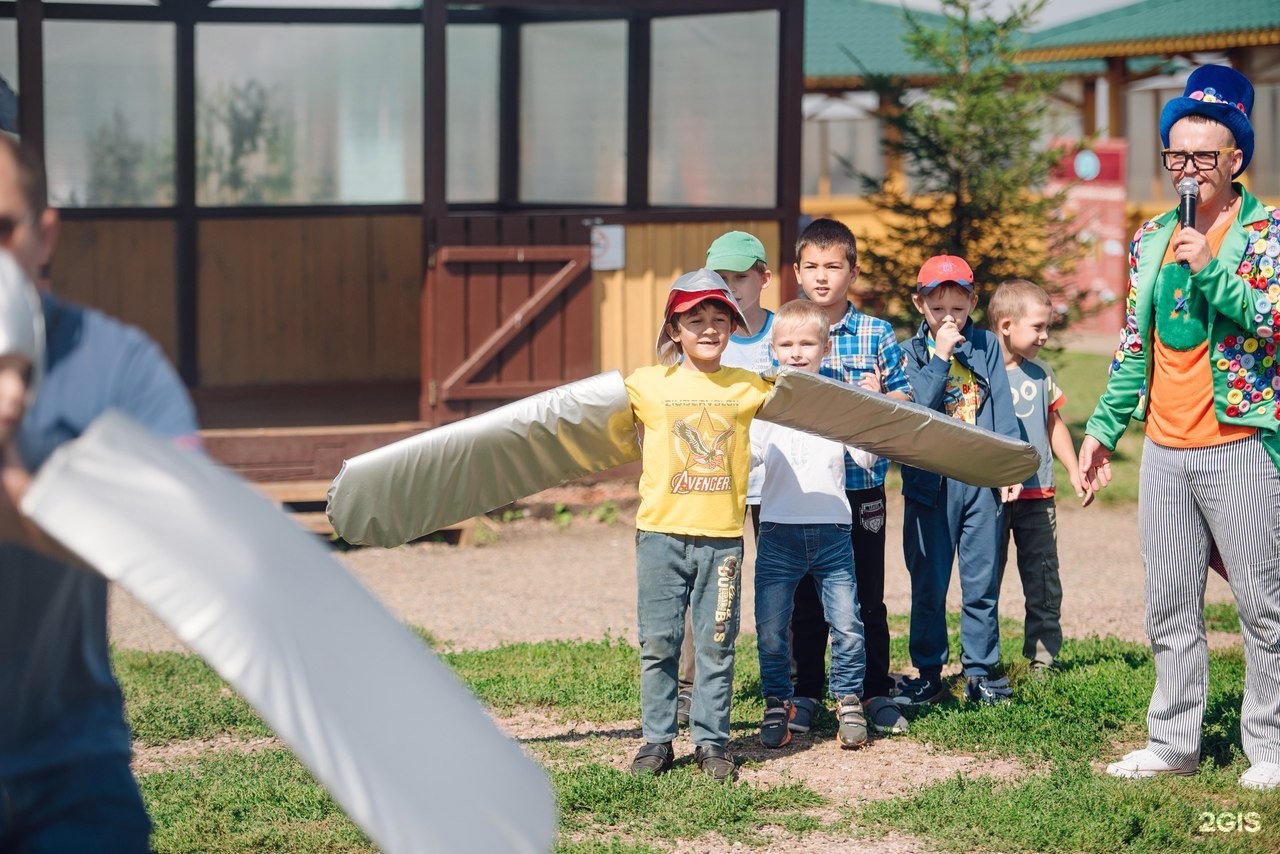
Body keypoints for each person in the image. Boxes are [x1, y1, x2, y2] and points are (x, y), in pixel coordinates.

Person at [1078, 65, 1280, 791]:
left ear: (1236, 160)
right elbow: (1137, 343)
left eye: (1201, 156)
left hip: (1241, 444)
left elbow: (1274, 319)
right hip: (1166, 449)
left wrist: (1215, 271)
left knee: (1263, 607)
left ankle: (1271, 748)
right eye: (1175, 156)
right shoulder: (1151, 238)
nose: (1185, 169)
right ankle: (1174, 742)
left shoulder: (1266, 233)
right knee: (1168, 605)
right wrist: (1104, 429)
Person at [0, 135, 200, 850]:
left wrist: (14, 490)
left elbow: (182, 539)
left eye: (1, 229)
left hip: (71, 765)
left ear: (43, 234)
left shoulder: (117, 365)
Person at [624, 268, 773, 783]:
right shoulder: (646, 384)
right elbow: (575, 419)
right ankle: (657, 740)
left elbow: (816, 401)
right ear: (674, 329)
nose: (709, 330)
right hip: (660, 536)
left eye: (719, 320)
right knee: (659, 641)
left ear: (733, 326)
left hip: (723, 544)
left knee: (716, 643)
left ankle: (712, 742)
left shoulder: (750, 387)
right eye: (695, 320)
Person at [793, 217, 912, 736]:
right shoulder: (788, 329)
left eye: (833, 267)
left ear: (853, 272)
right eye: (812, 267)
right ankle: (804, 691)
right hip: (803, 490)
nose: (822, 277)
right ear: (796, 272)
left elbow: (906, 399)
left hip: (861, 488)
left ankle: (873, 689)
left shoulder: (877, 333)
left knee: (867, 592)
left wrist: (883, 396)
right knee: (803, 593)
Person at [896, 254, 1021, 707]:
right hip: (930, 486)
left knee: (981, 582)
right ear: (920, 305)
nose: (949, 317)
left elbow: (1003, 407)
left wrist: (1007, 467)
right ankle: (929, 672)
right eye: (937, 308)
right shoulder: (909, 353)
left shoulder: (986, 345)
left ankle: (980, 672)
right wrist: (941, 355)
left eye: (958, 307)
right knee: (928, 584)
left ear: (972, 302)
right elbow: (918, 409)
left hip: (978, 482)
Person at [751, 299, 871, 749]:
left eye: (806, 343)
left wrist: (870, 413)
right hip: (777, 530)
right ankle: (777, 703)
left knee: (847, 625)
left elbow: (866, 456)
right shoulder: (766, 404)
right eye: (786, 344)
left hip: (833, 531)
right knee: (770, 627)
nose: (796, 352)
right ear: (774, 349)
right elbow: (749, 458)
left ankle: (848, 700)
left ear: (825, 347)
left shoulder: (839, 402)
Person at [674, 231, 776, 727]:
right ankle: (688, 688)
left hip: (779, 487)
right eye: (722, 279)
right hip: (715, 486)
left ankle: (791, 686)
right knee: (704, 589)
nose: (732, 288)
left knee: (782, 588)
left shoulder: (788, 333)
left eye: (741, 277)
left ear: (764, 278)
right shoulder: (703, 334)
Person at [987, 279, 1093, 676]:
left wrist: (1072, 469)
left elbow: (1054, 424)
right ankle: (983, 661)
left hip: (1038, 496)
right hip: (991, 498)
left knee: (1044, 580)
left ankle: (1043, 660)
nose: (1045, 336)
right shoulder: (980, 371)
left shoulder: (1040, 373)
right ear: (1007, 325)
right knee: (984, 582)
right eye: (1038, 328)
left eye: (1048, 327)